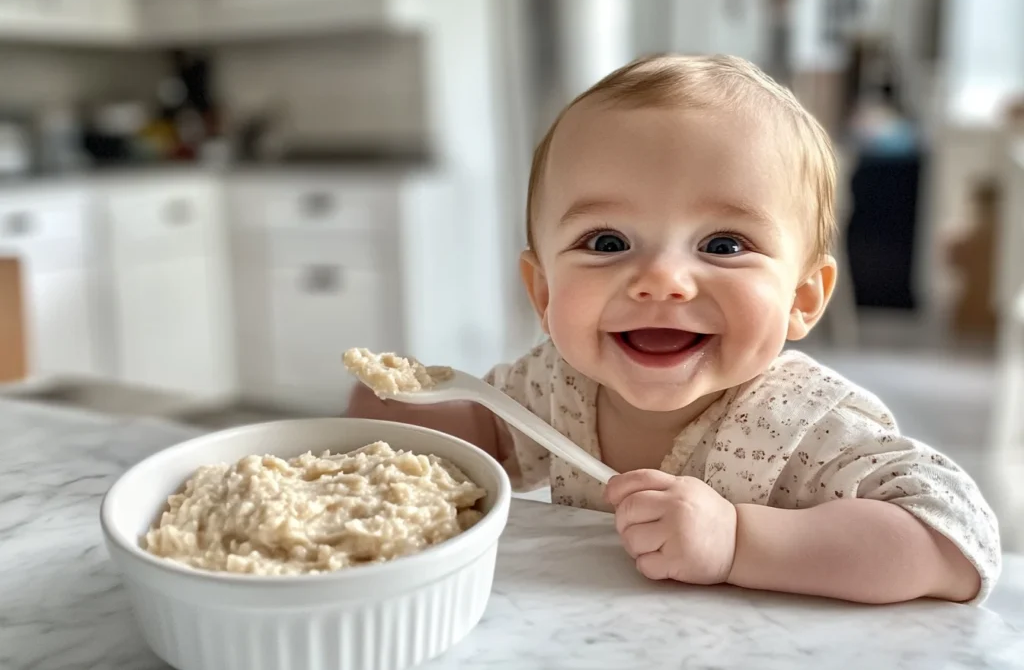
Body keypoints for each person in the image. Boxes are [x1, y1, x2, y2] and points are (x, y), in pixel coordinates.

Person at [346, 54, 1000, 605]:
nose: (661, 279)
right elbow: (491, 434)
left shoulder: (806, 423)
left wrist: (739, 542)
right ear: (542, 292)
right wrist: (408, 418)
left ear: (802, 297)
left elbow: (953, 539)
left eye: (722, 243)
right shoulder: (558, 381)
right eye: (606, 240)